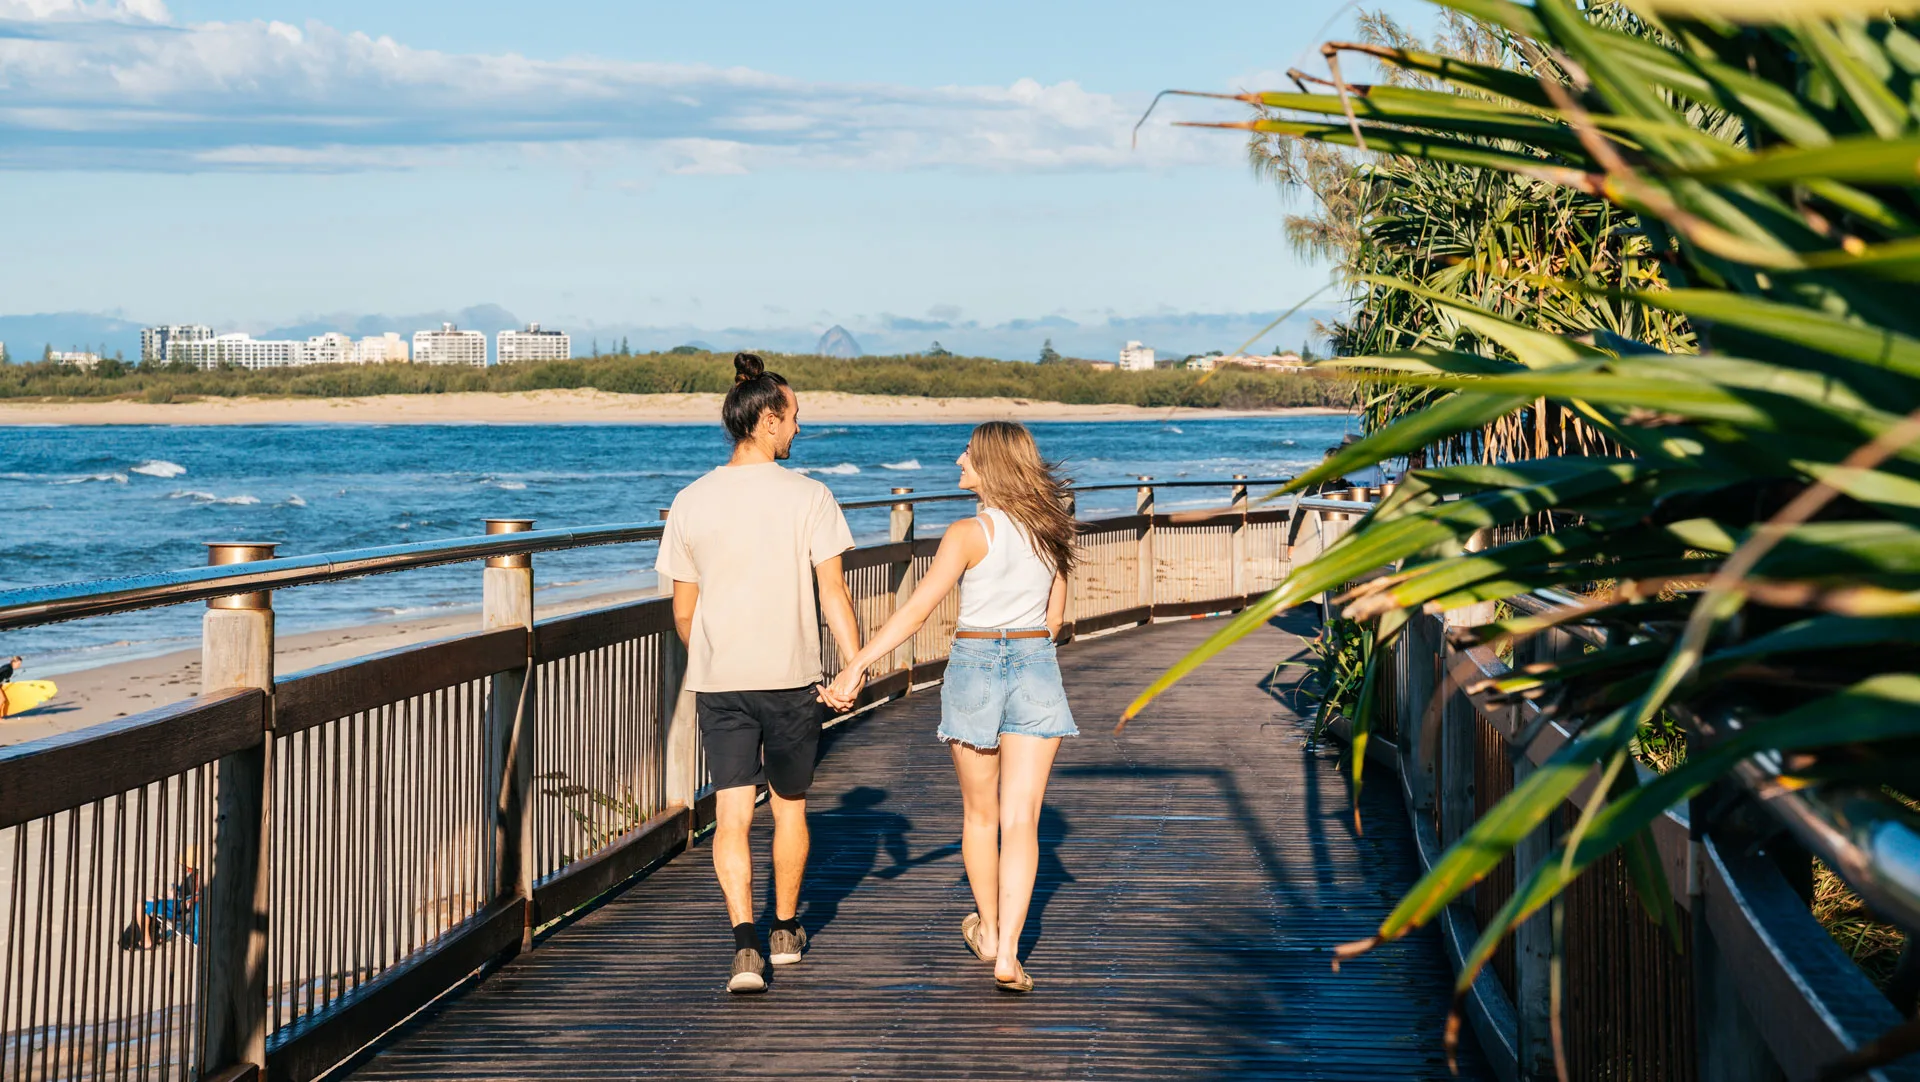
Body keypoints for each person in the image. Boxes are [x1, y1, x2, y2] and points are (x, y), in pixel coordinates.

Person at [823, 421, 1077, 993]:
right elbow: (1055, 621)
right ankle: (1009, 953)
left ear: (989, 463)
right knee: (1022, 821)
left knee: (981, 817)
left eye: (967, 452)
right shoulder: (1052, 530)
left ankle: (987, 932)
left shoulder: (967, 533)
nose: (958, 459)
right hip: (1036, 664)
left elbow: (915, 612)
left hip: (977, 666)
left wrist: (858, 663)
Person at [656, 353, 861, 994]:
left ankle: (744, 947)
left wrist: (718, 650)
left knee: (734, 812)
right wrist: (852, 667)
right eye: (794, 417)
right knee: (791, 809)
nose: (799, 428)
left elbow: (683, 612)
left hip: (722, 680)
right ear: (768, 420)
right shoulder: (810, 497)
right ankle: (784, 930)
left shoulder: (690, 500)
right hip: (791, 677)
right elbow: (833, 593)